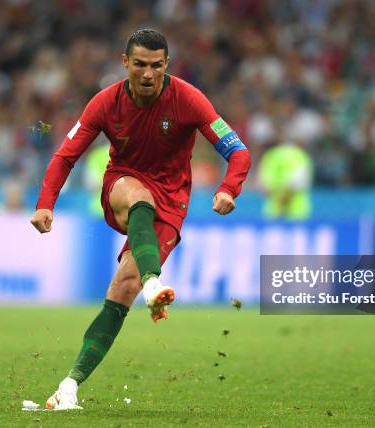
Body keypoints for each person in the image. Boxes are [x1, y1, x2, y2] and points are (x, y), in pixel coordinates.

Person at [30, 29, 251, 410]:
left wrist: (229, 188)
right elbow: (65, 156)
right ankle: (154, 284)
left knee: (122, 290)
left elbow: (239, 152)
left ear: (166, 65)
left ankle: (68, 386)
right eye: (140, 65)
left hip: (172, 203)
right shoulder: (104, 103)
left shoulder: (189, 99)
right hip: (123, 184)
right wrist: (45, 202)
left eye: (156, 66)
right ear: (125, 63)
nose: (148, 74)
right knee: (138, 198)